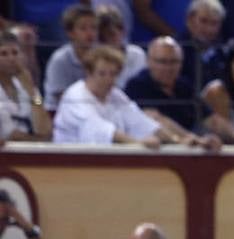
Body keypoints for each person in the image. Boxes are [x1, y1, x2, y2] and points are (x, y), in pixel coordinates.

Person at [53, 46, 185, 146]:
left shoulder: (115, 94)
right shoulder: (76, 96)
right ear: (89, 72)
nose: (108, 79)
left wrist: (178, 142)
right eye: (102, 74)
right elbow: (101, 129)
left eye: (113, 74)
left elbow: (140, 121)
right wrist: (138, 144)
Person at [124, 36, 200, 133]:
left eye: (174, 62)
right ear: (149, 61)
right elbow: (152, 119)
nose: (168, 68)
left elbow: (209, 118)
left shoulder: (185, 85)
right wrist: (191, 139)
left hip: (190, 142)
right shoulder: (136, 86)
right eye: (162, 62)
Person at [43, 5, 100, 106]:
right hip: (59, 112)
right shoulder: (59, 60)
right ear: (70, 33)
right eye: (83, 28)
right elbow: (61, 97)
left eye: (93, 28)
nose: (90, 33)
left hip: (93, 109)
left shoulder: (101, 56)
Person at [0, 31, 51, 141]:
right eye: (4, 54)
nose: (11, 59)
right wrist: (39, 142)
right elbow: (10, 135)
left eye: (15, 53)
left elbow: (45, 129)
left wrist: (32, 93)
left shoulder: (27, 85)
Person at [179, 0, 228, 93]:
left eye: (214, 23)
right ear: (190, 20)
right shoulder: (177, 51)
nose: (209, 29)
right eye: (203, 21)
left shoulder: (222, 51)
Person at [95, 5, 148, 89]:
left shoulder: (137, 55)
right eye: (102, 38)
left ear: (122, 31)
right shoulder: (93, 59)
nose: (108, 41)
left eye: (111, 34)